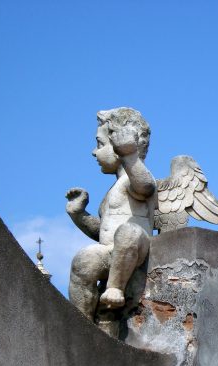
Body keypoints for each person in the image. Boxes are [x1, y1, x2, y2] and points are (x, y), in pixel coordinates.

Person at [66, 107, 156, 336]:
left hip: (137, 248)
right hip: (112, 251)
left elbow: (145, 186)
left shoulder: (134, 178)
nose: (94, 152)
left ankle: (115, 288)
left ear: (120, 144)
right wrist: (79, 215)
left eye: (100, 144)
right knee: (84, 259)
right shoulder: (112, 190)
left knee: (128, 232)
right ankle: (83, 324)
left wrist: (130, 156)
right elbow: (103, 232)